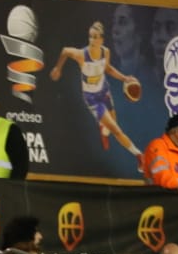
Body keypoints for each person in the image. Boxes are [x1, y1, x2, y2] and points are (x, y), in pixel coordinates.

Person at [47, 22, 143, 160]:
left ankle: (103, 131)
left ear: (101, 40)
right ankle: (139, 155)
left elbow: (108, 69)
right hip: (92, 98)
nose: (92, 40)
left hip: (104, 91)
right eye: (90, 37)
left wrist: (124, 78)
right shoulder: (81, 55)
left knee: (111, 126)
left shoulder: (106, 52)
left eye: (95, 37)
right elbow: (65, 51)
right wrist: (58, 68)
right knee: (116, 129)